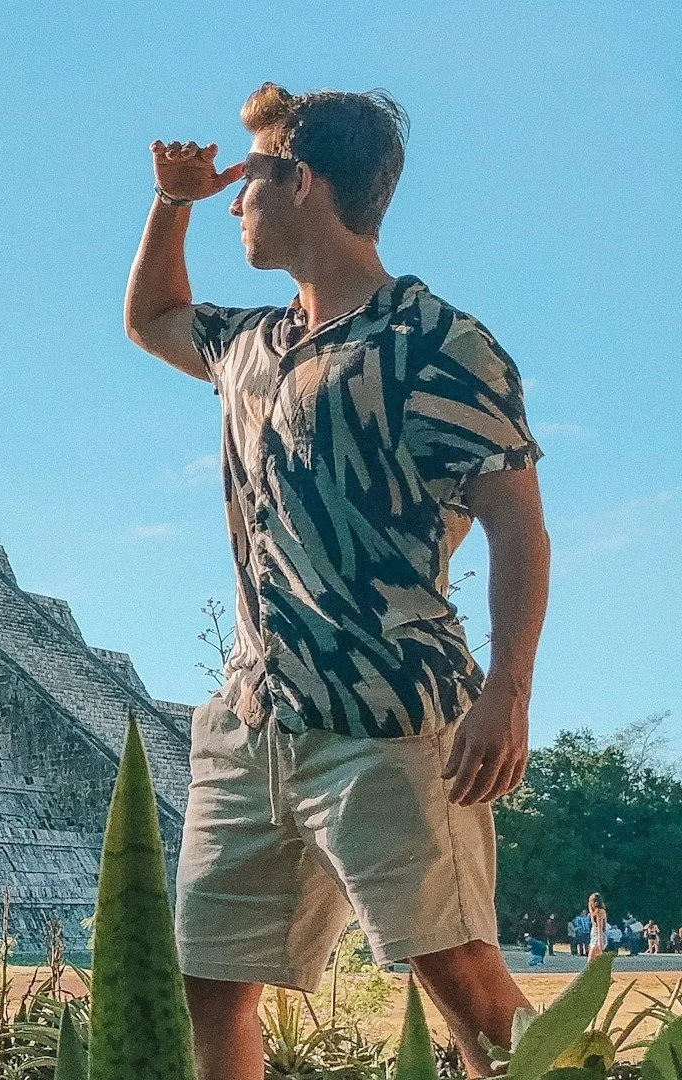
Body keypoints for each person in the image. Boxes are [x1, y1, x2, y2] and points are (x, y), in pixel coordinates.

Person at [126, 83, 551, 1080]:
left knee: (466, 986)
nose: (234, 204)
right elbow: (153, 318)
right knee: (212, 982)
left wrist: (509, 692)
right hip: (252, 719)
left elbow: (517, 523)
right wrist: (170, 202)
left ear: (299, 181)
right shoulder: (253, 345)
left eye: (245, 182)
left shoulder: (435, 344)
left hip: (388, 717)